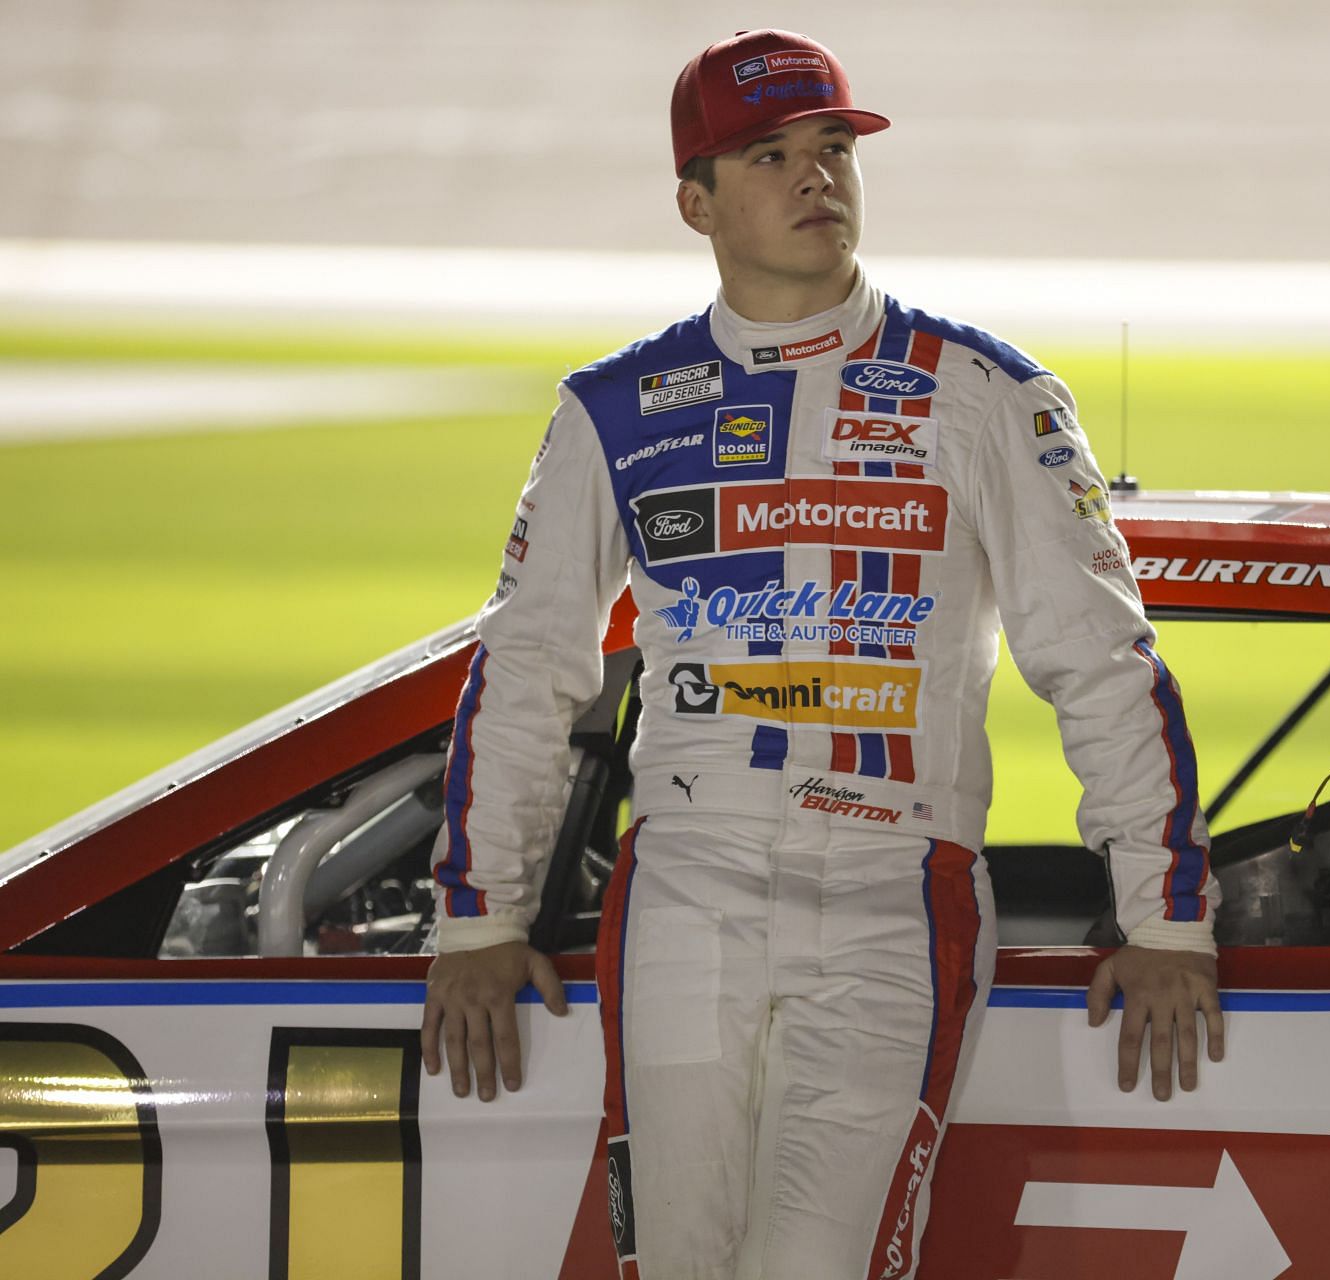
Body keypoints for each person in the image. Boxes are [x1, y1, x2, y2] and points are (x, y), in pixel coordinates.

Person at [418, 28, 1223, 1280]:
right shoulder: (612, 409)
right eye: (772, 154)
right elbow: (527, 667)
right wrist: (479, 918)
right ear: (696, 200)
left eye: (836, 148)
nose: (817, 179)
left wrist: (1164, 920)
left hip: (896, 889)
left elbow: (1102, 660)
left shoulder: (989, 393)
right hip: (686, 881)